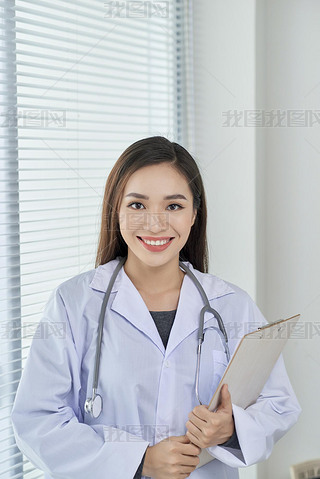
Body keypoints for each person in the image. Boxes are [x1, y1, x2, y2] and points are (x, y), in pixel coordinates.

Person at [11, 136, 301, 479]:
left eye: (174, 206)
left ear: (195, 214)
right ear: (115, 210)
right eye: (137, 205)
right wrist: (139, 460)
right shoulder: (74, 303)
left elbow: (278, 405)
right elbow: (37, 421)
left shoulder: (231, 305)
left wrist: (231, 429)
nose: (155, 223)